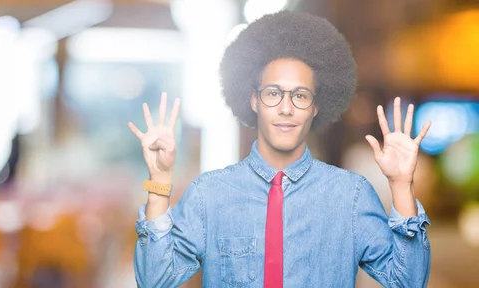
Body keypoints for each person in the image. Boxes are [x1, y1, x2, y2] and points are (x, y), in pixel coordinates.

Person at [128, 11, 432, 288]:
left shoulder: (350, 196)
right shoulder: (209, 195)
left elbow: (408, 282)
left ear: (315, 107)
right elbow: (154, 280)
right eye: (273, 93)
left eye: (300, 95)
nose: (286, 108)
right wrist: (159, 182)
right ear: (253, 100)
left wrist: (402, 185)